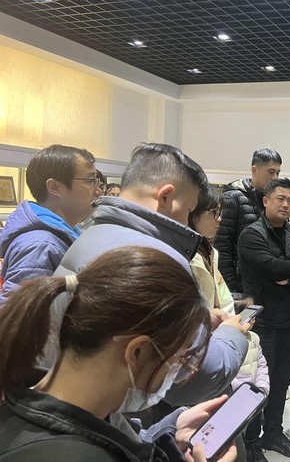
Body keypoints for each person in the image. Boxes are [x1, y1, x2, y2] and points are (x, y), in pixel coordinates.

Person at [42, 143, 249, 410]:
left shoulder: (92, 234)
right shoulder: (156, 257)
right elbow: (194, 377)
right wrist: (231, 336)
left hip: (79, 405)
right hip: (115, 411)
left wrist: (194, 321)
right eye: (189, 210)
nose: (187, 222)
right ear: (166, 196)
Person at [0, 246, 236, 462]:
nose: (175, 373)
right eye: (178, 361)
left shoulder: (83, 411)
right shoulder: (74, 454)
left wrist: (170, 430)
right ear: (138, 352)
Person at [238, 177, 290, 459]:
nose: (286, 204)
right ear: (266, 201)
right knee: (257, 384)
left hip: (289, 321)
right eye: (280, 198)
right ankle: (250, 441)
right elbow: (268, 266)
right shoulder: (252, 234)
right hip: (261, 322)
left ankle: (273, 432)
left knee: (282, 380)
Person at [0, 144, 100, 307]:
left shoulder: (60, 235)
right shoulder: (41, 245)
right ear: (54, 187)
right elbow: (18, 316)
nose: (98, 191)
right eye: (90, 181)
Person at [215, 148, 282, 292]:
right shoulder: (233, 198)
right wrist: (229, 288)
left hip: (266, 286)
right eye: (271, 172)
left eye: (278, 173)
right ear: (254, 170)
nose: (275, 178)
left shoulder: (271, 202)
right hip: (240, 287)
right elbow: (222, 245)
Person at [230, 293, 271, 462]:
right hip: (235, 398)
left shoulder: (254, 338)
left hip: (254, 395)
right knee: (234, 431)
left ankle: (253, 446)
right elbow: (228, 373)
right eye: (249, 315)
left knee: (254, 424)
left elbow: (261, 363)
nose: (253, 319)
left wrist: (262, 387)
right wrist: (242, 391)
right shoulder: (227, 342)